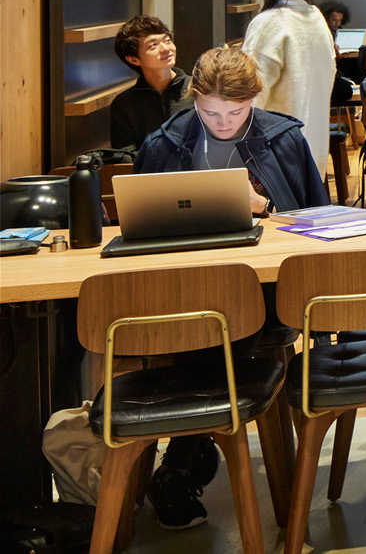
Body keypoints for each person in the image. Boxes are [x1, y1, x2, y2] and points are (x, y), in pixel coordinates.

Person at [132, 46, 329, 529]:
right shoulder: (164, 144)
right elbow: (138, 225)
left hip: (264, 293)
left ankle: (181, 461)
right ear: (194, 99)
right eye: (210, 112)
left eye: (236, 113)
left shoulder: (282, 138)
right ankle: (193, 453)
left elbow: (319, 221)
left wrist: (262, 205)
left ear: (254, 101)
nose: (223, 123)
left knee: (228, 319)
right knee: (217, 319)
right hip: (182, 288)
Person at [240, 0, 338, 169]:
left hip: (276, 149)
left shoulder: (268, 22)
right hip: (315, 145)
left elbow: (250, 90)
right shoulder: (317, 17)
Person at [106, 15, 191, 151]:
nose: (166, 49)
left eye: (167, 40)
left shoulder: (199, 90)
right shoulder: (124, 104)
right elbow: (126, 157)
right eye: (154, 45)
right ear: (133, 59)